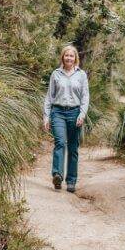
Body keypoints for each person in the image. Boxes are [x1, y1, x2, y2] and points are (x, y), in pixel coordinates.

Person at [42, 44, 90, 193]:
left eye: (72, 55)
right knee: (60, 142)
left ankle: (71, 181)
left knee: (73, 148)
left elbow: (85, 97)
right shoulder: (56, 74)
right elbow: (49, 97)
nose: (69, 58)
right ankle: (57, 175)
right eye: (66, 55)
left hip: (75, 113)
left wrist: (82, 114)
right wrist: (46, 116)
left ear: (75, 58)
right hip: (58, 112)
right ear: (62, 57)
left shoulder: (81, 75)